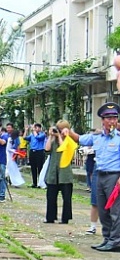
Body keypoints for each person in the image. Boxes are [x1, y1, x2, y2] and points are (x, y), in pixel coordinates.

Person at [67, 102, 120, 251]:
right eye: (108, 118)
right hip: (100, 175)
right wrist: (67, 131)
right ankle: (107, 238)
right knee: (103, 209)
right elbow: (79, 139)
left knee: (115, 211)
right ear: (102, 120)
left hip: (115, 177)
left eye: (114, 118)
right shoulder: (96, 137)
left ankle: (116, 241)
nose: (112, 121)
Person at [43, 122, 73, 224]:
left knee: (67, 198)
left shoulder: (69, 140)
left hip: (65, 174)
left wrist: (60, 136)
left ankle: (65, 218)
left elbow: (63, 148)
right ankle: (50, 217)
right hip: (53, 173)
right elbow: (46, 149)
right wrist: (51, 136)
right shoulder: (53, 140)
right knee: (51, 196)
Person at [83, 145, 99, 234]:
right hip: (98, 165)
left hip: (112, 168)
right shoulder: (98, 136)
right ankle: (93, 226)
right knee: (95, 198)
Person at [25, 123, 47, 188]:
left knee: (40, 167)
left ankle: (40, 183)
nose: (35, 129)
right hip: (32, 152)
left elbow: (38, 137)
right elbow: (24, 138)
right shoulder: (32, 135)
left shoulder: (42, 134)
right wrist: (26, 130)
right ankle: (34, 183)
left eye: (36, 128)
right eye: (35, 127)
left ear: (40, 128)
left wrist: (34, 130)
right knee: (33, 168)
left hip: (39, 152)